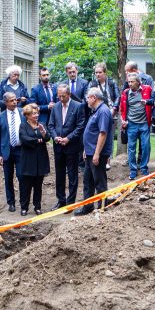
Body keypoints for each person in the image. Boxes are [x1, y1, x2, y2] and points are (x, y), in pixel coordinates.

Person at [74, 88, 114, 216]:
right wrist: (87, 150)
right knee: (88, 180)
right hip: (90, 152)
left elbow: (102, 134)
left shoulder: (103, 111)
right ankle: (88, 206)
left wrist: (96, 153)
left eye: (87, 98)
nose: (86, 100)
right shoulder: (96, 111)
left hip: (98, 154)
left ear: (94, 98)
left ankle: (103, 205)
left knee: (99, 180)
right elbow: (92, 132)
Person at [48, 85, 85, 210]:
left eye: (63, 96)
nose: (61, 98)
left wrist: (68, 138)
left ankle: (71, 202)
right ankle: (61, 200)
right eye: (59, 96)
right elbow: (51, 125)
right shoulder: (56, 107)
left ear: (69, 95)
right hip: (58, 146)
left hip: (72, 146)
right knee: (59, 174)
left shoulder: (78, 106)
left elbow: (80, 126)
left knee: (73, 175)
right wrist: (55, 137)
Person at [0, 92, 25, 213]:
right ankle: (11, 202)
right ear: (6, 102)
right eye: (11, 100)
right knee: (8, 178)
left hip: (21, 149)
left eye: (15, 100)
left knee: (21, 176)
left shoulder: (23, 112)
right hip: (7, 151)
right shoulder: (0, 117)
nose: (14, 102)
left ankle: (24, 202)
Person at [18, 104, 51, 216]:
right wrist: (37, 141)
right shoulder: (23, 126)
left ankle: (37, 207)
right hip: (28, 159)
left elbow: (47, 138)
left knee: (38, 185)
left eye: (37, 113)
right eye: (33, 113)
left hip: (40, 159)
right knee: (25, 185)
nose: (36, 115)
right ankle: (24, 207)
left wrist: (43, 132)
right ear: (27, 115)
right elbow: (24, 139)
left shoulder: (42, 125)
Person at [119, 73, 152, 179]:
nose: (130, 84)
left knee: (146, 146)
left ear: (138, 82)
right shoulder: (126, 93)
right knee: (131, 147)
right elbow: (122, 109)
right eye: (128, 82)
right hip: (131, 124)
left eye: (132, 82)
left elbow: (152, 102)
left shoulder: (147, 89)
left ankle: (143, 168)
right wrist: (123, 120)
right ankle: (133, 170)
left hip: (144, 124)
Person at [88, 63, 119, 170]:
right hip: (97, 113)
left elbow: (117, 97)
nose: (98, 74)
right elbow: (87, 98)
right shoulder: (92, 84)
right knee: (98, 136)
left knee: (108, 137)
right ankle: (98, 157)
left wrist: (114, 109)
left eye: (100, 72)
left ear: (105, 73)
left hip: (111, 113)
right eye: (96, 72)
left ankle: (107, 161)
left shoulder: (111, 83)